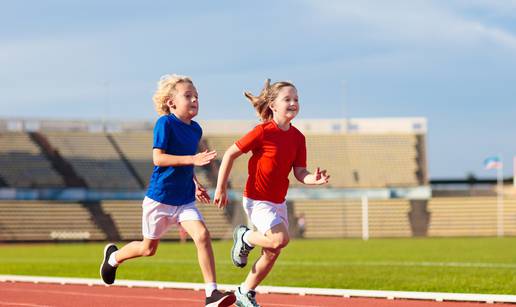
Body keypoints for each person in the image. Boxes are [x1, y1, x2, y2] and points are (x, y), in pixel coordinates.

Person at [99, 74, 236, 307]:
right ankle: (113, 257)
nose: (194, 100)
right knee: (147, 248)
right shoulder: (165, 123)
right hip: (160, 199)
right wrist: (193, 158)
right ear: (171, 103)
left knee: (202, 235)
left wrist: (194, 184)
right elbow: (159, 158)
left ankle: (211, 294)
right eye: (188, 96)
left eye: (197, 97)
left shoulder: (195, 130)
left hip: (184, 200)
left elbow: (184, 165)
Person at [213, 79, 330, 307]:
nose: (294, 103)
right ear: (273, 105)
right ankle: (244, 236)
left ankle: (244, 292)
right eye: (288, 99)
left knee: (273, 251)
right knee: (279, 239)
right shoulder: (262, 132)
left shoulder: (298, 138)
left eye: (296, 99)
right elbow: (229, 154)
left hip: (278, 201)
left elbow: (300, 172)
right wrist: (221, 187)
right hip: (257, 200)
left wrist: (313, 179)